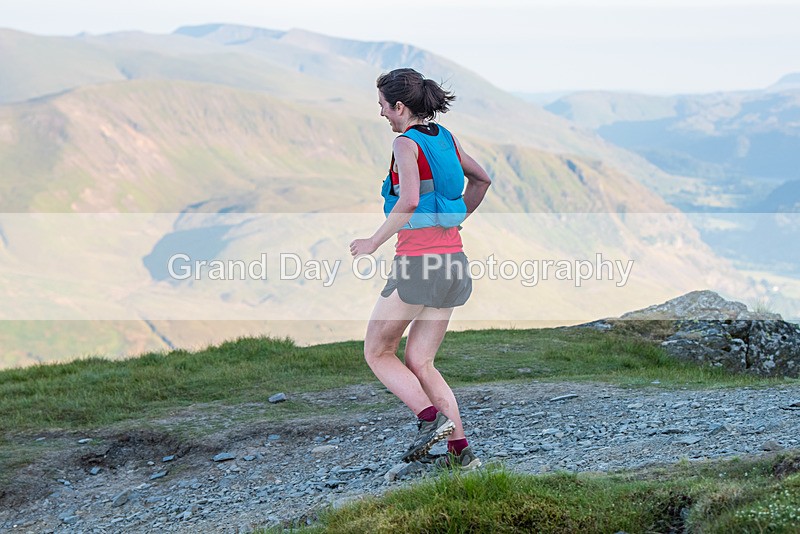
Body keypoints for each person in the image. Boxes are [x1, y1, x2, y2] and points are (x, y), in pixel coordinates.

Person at [349, 68, 492, 469]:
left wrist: (372, 242)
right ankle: (460, 454)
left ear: (399, 106)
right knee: (421, 361)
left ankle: (430, 421)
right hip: (453, 263)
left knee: (377, 351)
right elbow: (481, 180)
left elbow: (409, 200)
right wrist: (457, 216)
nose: (381, 114)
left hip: (418, 265)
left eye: (382, 106)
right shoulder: (446, 138)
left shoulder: (405, 144)